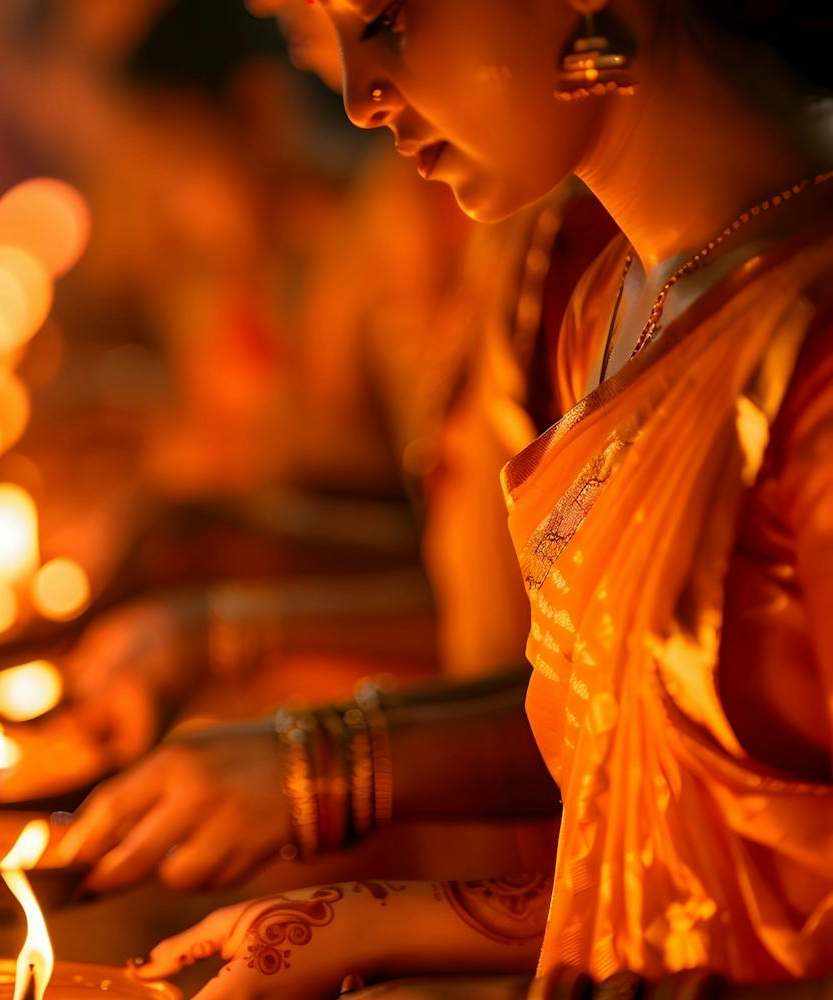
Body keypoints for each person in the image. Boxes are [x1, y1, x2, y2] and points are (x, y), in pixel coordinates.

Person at [110, 0, 833, 996]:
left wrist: (315, 746)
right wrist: (362, 922)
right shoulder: (609, 309)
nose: (360, 99)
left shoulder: (807, 359)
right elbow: (645, 853)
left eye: (390, 19)